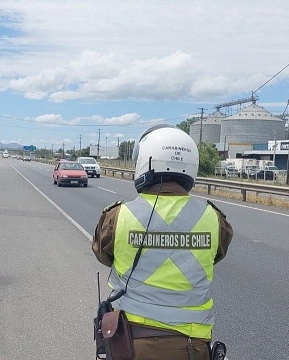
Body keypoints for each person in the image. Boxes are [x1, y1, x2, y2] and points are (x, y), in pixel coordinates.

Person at [92, 125, 233, 360]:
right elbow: (216, 255)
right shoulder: (213, 218)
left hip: (132, 344)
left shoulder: (118, 217)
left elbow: (102, 255)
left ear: (145, 163)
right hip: (192, 347)